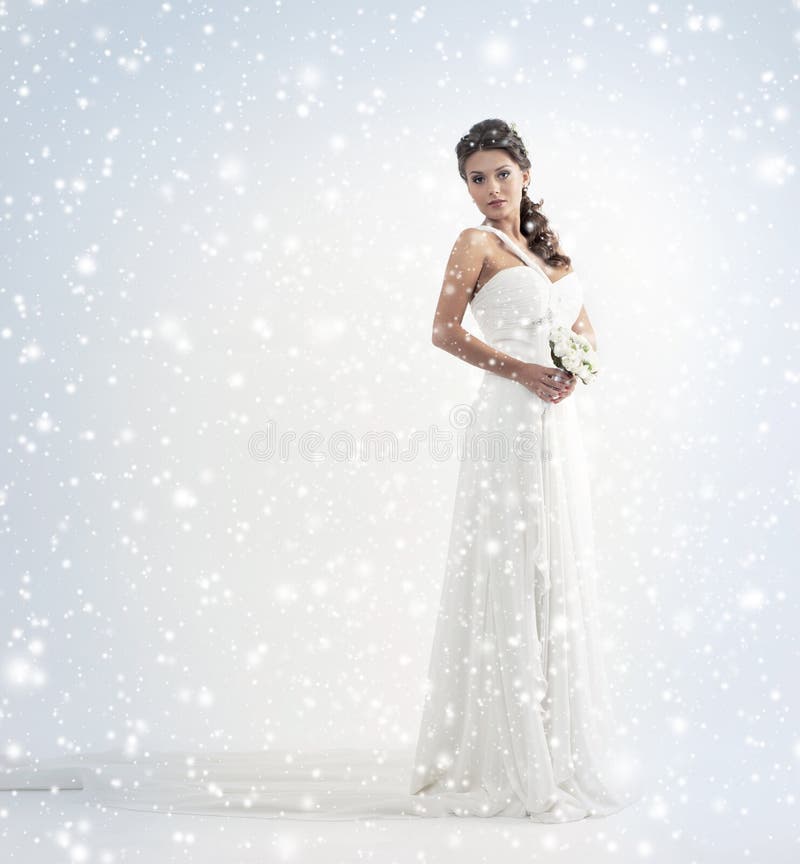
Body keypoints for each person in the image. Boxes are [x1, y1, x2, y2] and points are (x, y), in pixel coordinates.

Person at [407, 118, 636, 821]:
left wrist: (572, 368)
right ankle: (504, 751)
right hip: (507, 416)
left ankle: (552, 743)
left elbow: (584, 327)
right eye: (476, 178)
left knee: (553, 566)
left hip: (556, 421)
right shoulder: (472, 243)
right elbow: (444, 332)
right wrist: (524, 370)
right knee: (509, 564)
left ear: (526, 174)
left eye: (502, 174)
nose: (490, 190)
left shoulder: (548, 244)